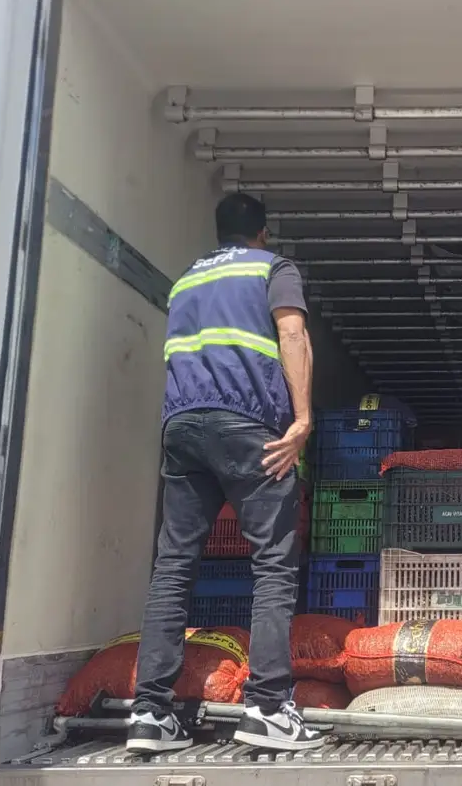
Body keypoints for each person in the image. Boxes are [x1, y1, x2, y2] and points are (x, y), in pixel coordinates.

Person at [127, 193, 323, 753]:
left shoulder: (186, 280)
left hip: (182, 427)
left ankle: (150, 713)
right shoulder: (273, 269)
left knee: (172, 567)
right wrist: (303, 419)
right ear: (262, 232)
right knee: (273, 566)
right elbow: (292, 335)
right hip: (247, 426)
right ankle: (269, 709)